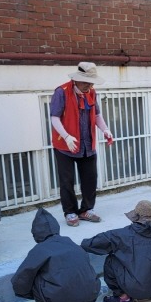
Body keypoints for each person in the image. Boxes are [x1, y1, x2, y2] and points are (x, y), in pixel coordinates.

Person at [50, 61, 113, 228]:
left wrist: (105, 130)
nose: (89, 85)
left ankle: (86, 210)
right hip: (65, 146)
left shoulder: (91, 92)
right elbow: (54, 117)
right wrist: (66, 136)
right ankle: (70, 211)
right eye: (85, 82)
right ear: (76, 80)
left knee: (90, 179)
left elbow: (97, 115)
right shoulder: (61, 92)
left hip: (87, 144)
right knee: (67, 180)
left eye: (91, 82)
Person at [11, 208, 100, 302]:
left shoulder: (40, 249)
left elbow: (21, 278)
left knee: (35, 278)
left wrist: (25, 293)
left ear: (36, 233)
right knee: (80, 274)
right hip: (90, 299)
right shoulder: (72, 243)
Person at [81, 200, 151, 302]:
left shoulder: (121, 235)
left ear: (135, 216)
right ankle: (148, 289)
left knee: (111, 259)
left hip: (134, 289)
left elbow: (89, 244)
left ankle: (122, 296)